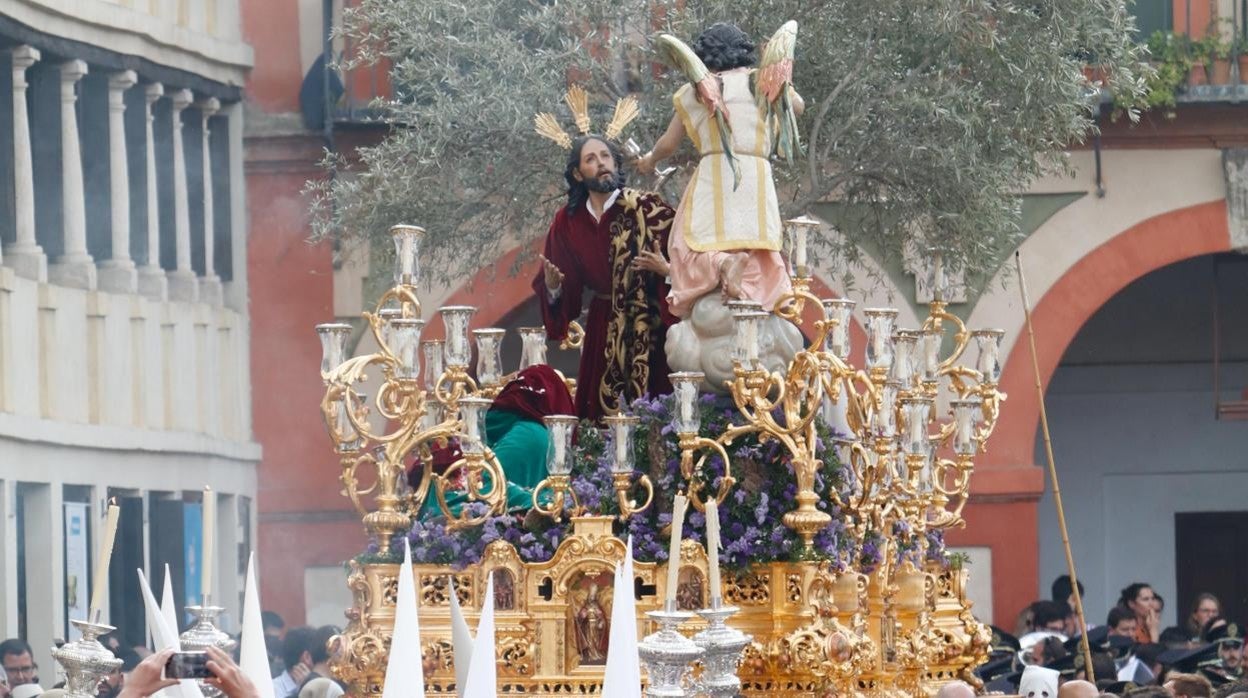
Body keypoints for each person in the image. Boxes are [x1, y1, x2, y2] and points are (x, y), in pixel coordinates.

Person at [636, 23, 803, 318]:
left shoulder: (696, 89)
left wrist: (649, 160)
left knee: (683, 246)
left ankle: (724, 264)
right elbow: (797, 108)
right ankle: (770, 303)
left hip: (714, 177)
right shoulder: (760, 82)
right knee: (761, 249)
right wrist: (778, 78)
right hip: (756, 178)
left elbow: (668, 143)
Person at [535, 135, 676, 421]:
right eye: (591, 159)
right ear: (578, 173)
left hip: (648, 327)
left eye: (605, 156)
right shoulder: (567, 222)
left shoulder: (647, 208)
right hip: (603, 329)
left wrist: (667, 270)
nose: (601, 164)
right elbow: (564, 287)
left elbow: (688, 259)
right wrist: (553, 288)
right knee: (600, 422)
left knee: (654, 417)